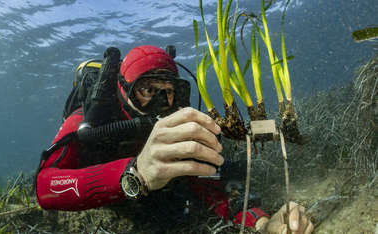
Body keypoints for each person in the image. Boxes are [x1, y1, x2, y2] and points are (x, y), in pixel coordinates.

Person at [36, 45, 314, 233]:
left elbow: (209, 188)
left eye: (169, 91)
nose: (161, 101)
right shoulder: (90, 120)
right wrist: (135, 175)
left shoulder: (176, 121)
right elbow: (45, 187)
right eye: (147, 89)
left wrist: (263, 224)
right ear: (124, 91)